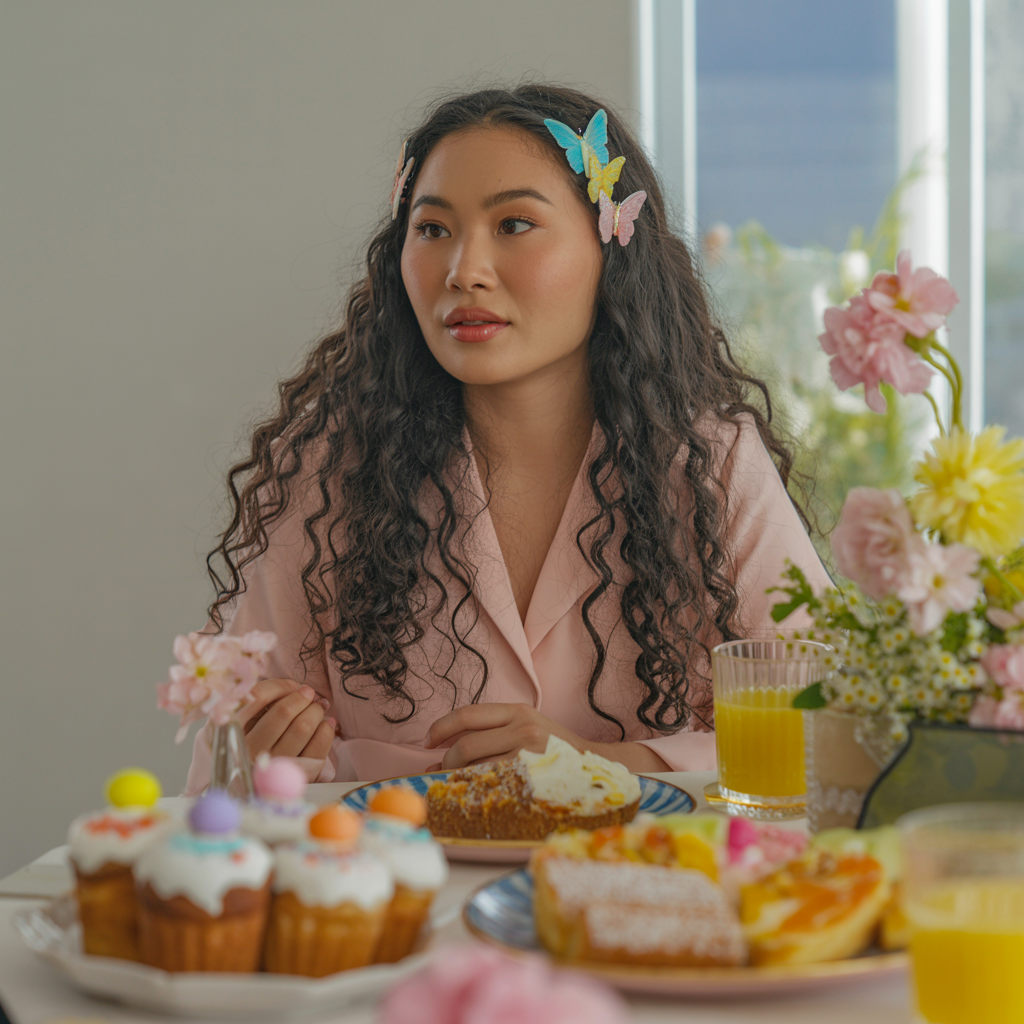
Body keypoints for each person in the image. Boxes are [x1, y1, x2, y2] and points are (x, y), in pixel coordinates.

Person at [185, 84, 830, 793]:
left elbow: (827, 730)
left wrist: (604, 766)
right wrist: (254, 756)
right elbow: (223, 792)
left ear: (612, 243)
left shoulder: (713, 464)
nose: (464, 271)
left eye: (514, 225)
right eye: (432, 230)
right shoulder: (331, 471)